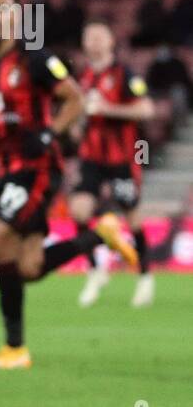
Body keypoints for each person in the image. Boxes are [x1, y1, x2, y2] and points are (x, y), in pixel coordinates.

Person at [0, 0, 137, 371]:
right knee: (26, 267)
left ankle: (15, 349)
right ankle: (101, 234)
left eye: (3, 11)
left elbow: (75, 98)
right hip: (7, 169)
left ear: (15, 17)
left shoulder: (35, 59)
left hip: (37, 169)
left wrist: (50, 132)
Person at [70, 21, 156, 308]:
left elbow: (146, 109)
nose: (93, 42)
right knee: (79, 209)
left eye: (99, 37)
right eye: (89, 37)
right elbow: (79, 118)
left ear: (110, 42)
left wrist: (109, 109)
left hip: (122, 159)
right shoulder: (82, 78)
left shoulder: (125, 74)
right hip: (91, 157)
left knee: (132, 217)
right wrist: (77, 126)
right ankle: (96, 270)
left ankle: (144, 276)